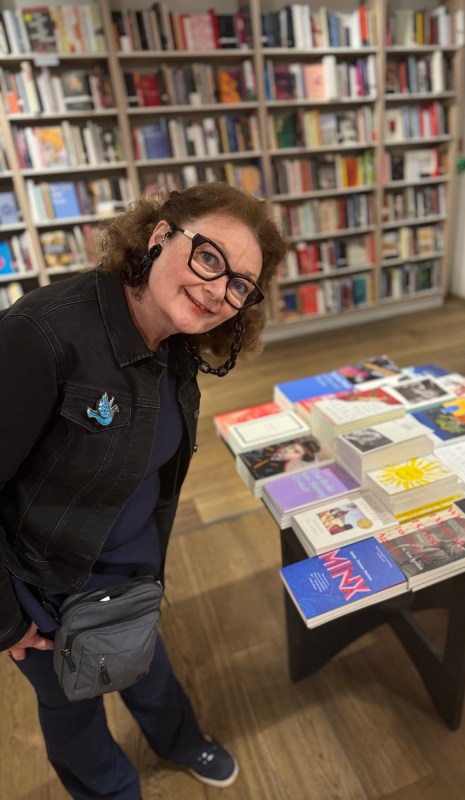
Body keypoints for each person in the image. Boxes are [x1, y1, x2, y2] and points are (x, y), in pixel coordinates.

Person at [0, 182, 288, 798]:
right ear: (159, 236)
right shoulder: (42, 333)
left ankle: (180, 740)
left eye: (240, 284)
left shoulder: (177, 344)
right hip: (45, 588)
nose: (217, 291)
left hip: (133, 569)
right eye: (208, 257)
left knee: (146, 663)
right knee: (72, 706)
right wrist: (4, 622)